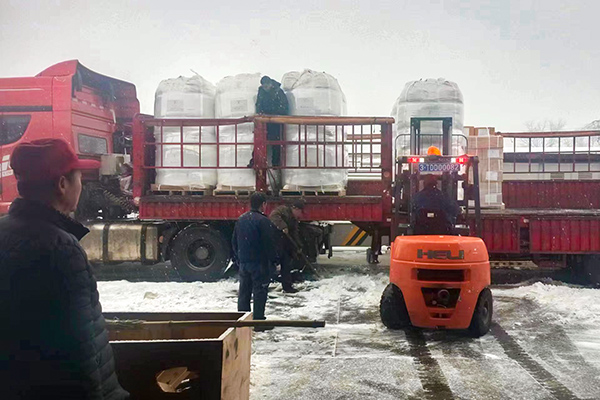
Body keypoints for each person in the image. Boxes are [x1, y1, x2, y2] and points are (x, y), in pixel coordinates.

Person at [0, 139, 129, 399]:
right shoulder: (60, 248)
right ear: (62, 185)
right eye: (79, 177)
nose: (81, 185)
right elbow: (83, 350)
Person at [232, 192, 278, 327]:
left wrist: (238, 257)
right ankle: (258, 321)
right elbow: (269, 243)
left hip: (244, 262)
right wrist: (274, 260)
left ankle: (243, 321)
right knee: (259, 291)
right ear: (263, 205)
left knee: (244, 292)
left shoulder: (241, 219)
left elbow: (234, 241)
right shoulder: (264, 221)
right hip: (259, 263)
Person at [270, 200, 305, 293]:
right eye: (300, 211)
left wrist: (298, 246)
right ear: (295, 209)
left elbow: (294, 233)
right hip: (275, 241)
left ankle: (287, 287)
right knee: (272, 264)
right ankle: (265, 282)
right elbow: (273, 216)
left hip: (285, 244)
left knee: (286, 265)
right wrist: (283, 226)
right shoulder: (283, 210)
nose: (300, 214)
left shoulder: (294, 219)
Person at [255, 76, 290, 167]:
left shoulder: (278, 92)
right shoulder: (261, 92)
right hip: (264, 122)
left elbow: (284, 107)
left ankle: (276, 164)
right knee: (260, 141)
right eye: (264, 86)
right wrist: (260, 113)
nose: (265, 88)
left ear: (270, 84)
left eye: (267, 86)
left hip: (276, 121)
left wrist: (273, 114)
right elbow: (258, 104)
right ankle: (256, 162)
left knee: (276, 142)